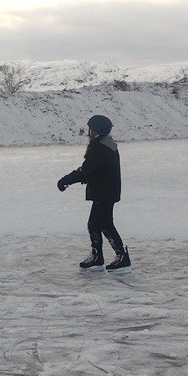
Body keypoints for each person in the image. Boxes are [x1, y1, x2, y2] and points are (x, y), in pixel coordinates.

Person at [57, 114, 131, 274]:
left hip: (104, 192)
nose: (88, 132)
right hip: (104, 190)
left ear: (97, 131)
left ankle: (122, 257)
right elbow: (97, 169)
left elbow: (85, 171)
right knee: (94, 224)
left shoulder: (100, 149)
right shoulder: (106, 144)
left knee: (105, 225)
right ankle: (97, 257)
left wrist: (65, 181)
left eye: (91, 129)